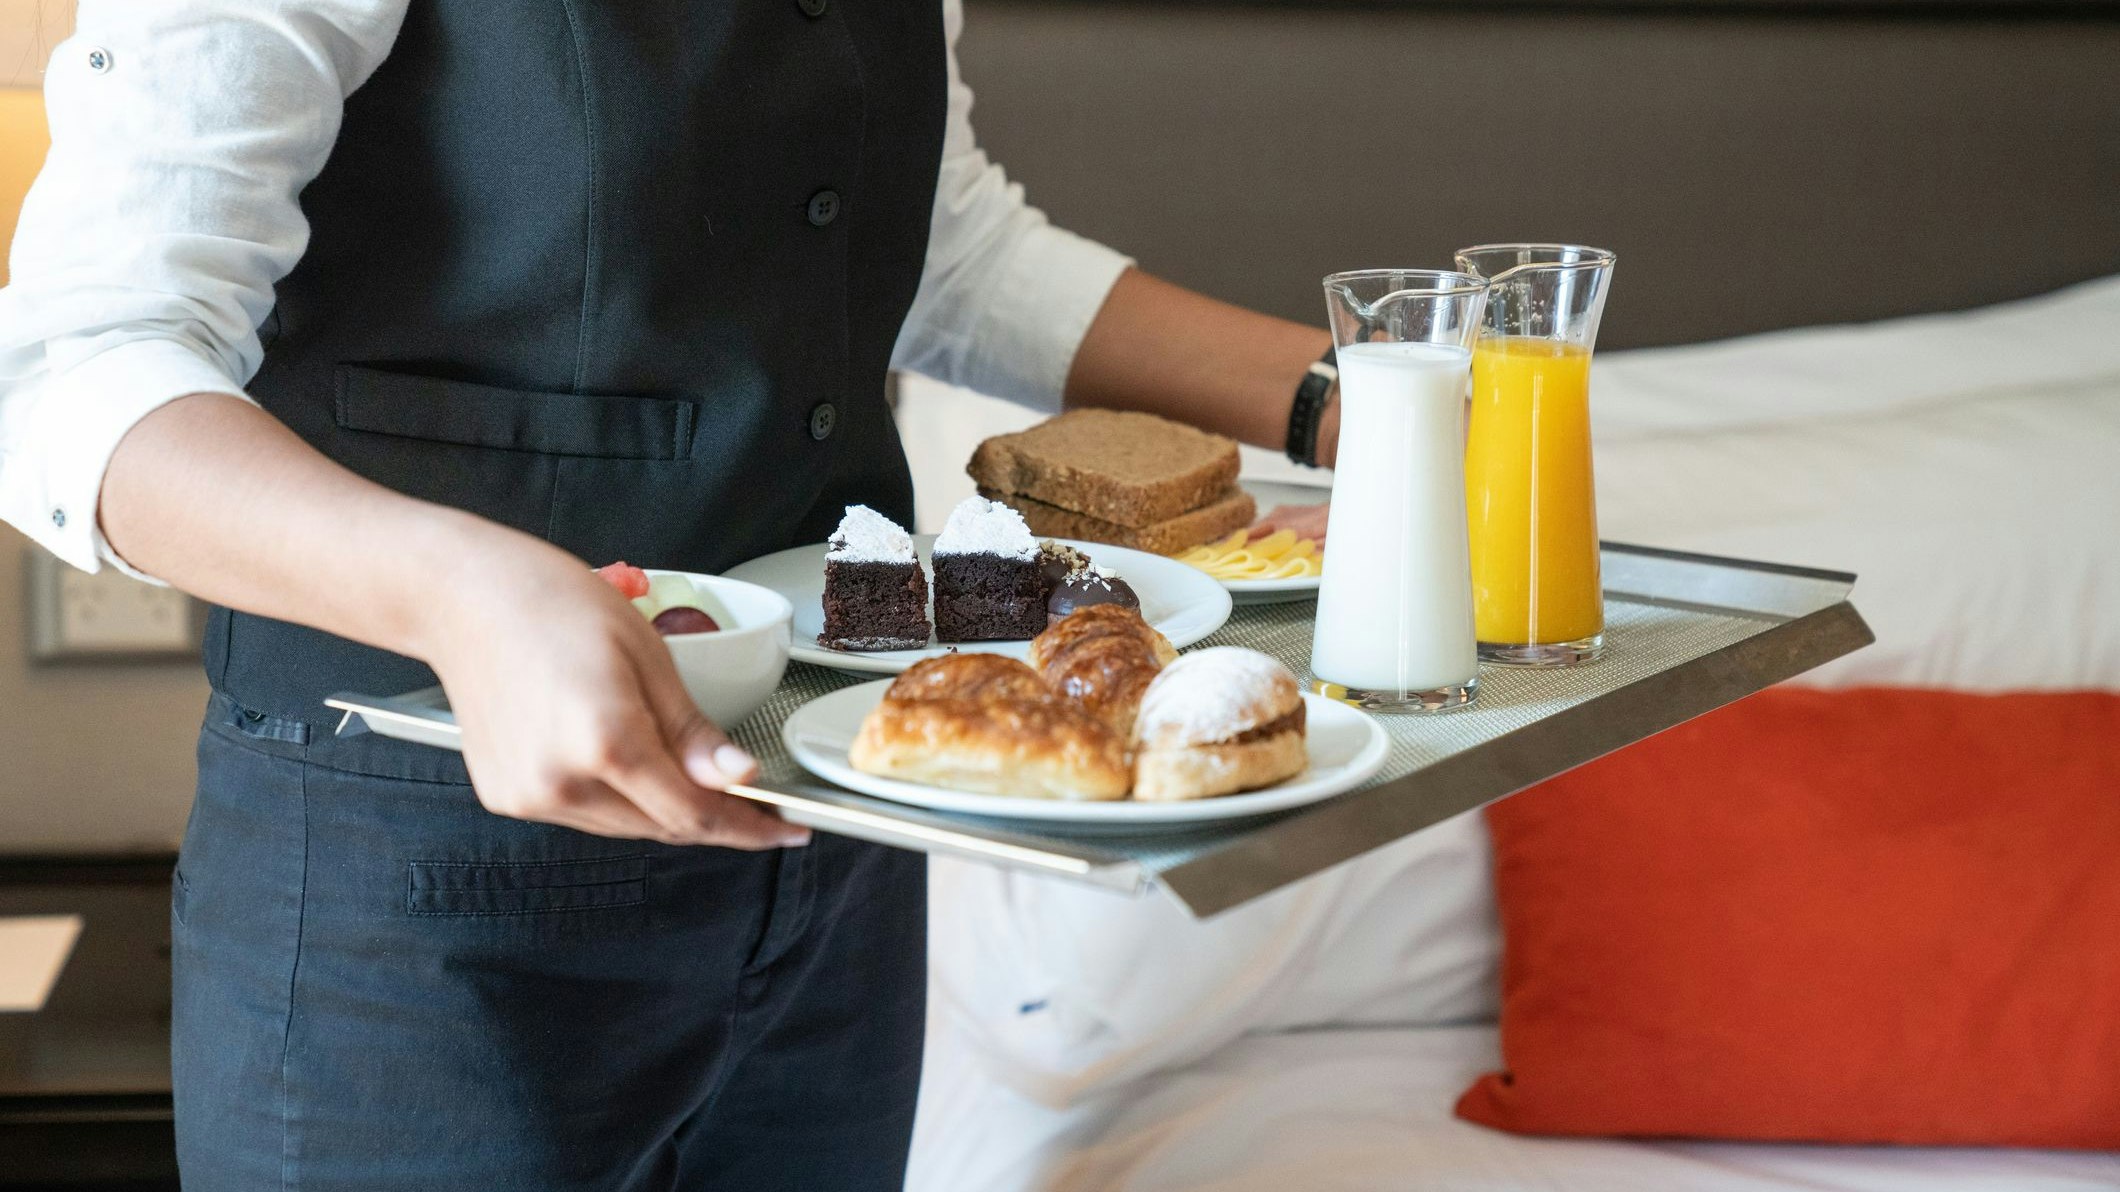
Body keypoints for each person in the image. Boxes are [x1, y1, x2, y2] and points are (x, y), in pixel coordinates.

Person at [0, 1, 1339, 1187]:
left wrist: (1357, 395)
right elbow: (79, 362)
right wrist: (459, 589)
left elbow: (944, 245)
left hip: (825, 844)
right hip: (419, 892)